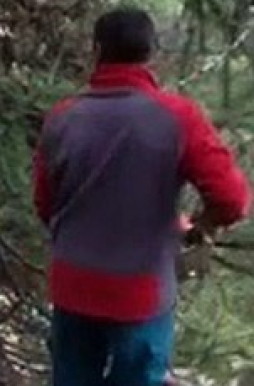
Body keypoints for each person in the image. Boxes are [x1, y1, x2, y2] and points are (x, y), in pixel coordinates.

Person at [32, 7, 251, 386]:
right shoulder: (179, 117)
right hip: (142, 294)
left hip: (72, 286)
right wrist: (198, 225)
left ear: (96, 51)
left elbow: (45, 205)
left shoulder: (61, 117)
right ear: (152, 55)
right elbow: (232, 200)